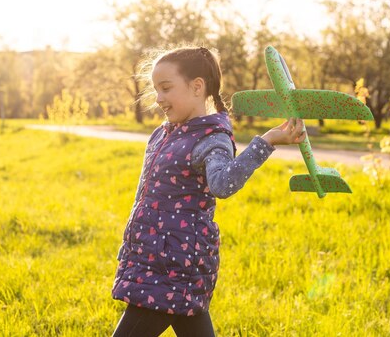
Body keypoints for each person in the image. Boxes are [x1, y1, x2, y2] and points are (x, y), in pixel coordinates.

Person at [111, 46, 306, 337]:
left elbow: (223, 184)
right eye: (156, 90)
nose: (159, 98)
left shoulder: (211, 139)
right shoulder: (164, 133)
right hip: (154, 256)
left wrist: (266, 142)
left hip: (174, 264)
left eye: (166, 88)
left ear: (197, 86)